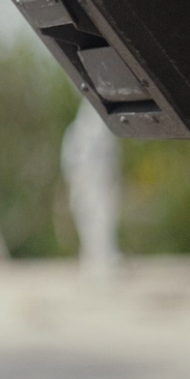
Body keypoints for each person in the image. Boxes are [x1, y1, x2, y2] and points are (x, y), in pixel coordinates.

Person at [60, 101, 122, 282]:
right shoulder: (78, 132)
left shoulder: (101, 131)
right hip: (86, 186)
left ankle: (105, 263)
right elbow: (71, 162)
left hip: (100, 186)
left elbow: (111, 160)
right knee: (89, 225)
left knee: (104, 223)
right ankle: (93, 264)